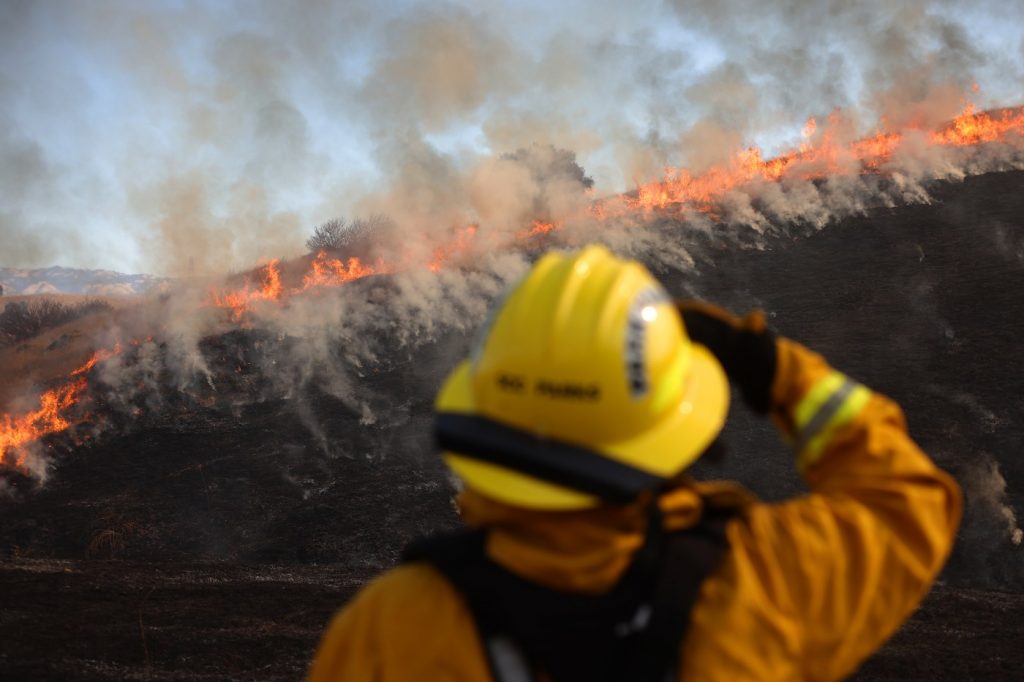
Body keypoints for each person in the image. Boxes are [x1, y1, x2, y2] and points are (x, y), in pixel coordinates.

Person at [309, 244, 961, 681]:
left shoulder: (389, 631)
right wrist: (770, 367)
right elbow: (909, 501)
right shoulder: (766, 583)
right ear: (670, 429)